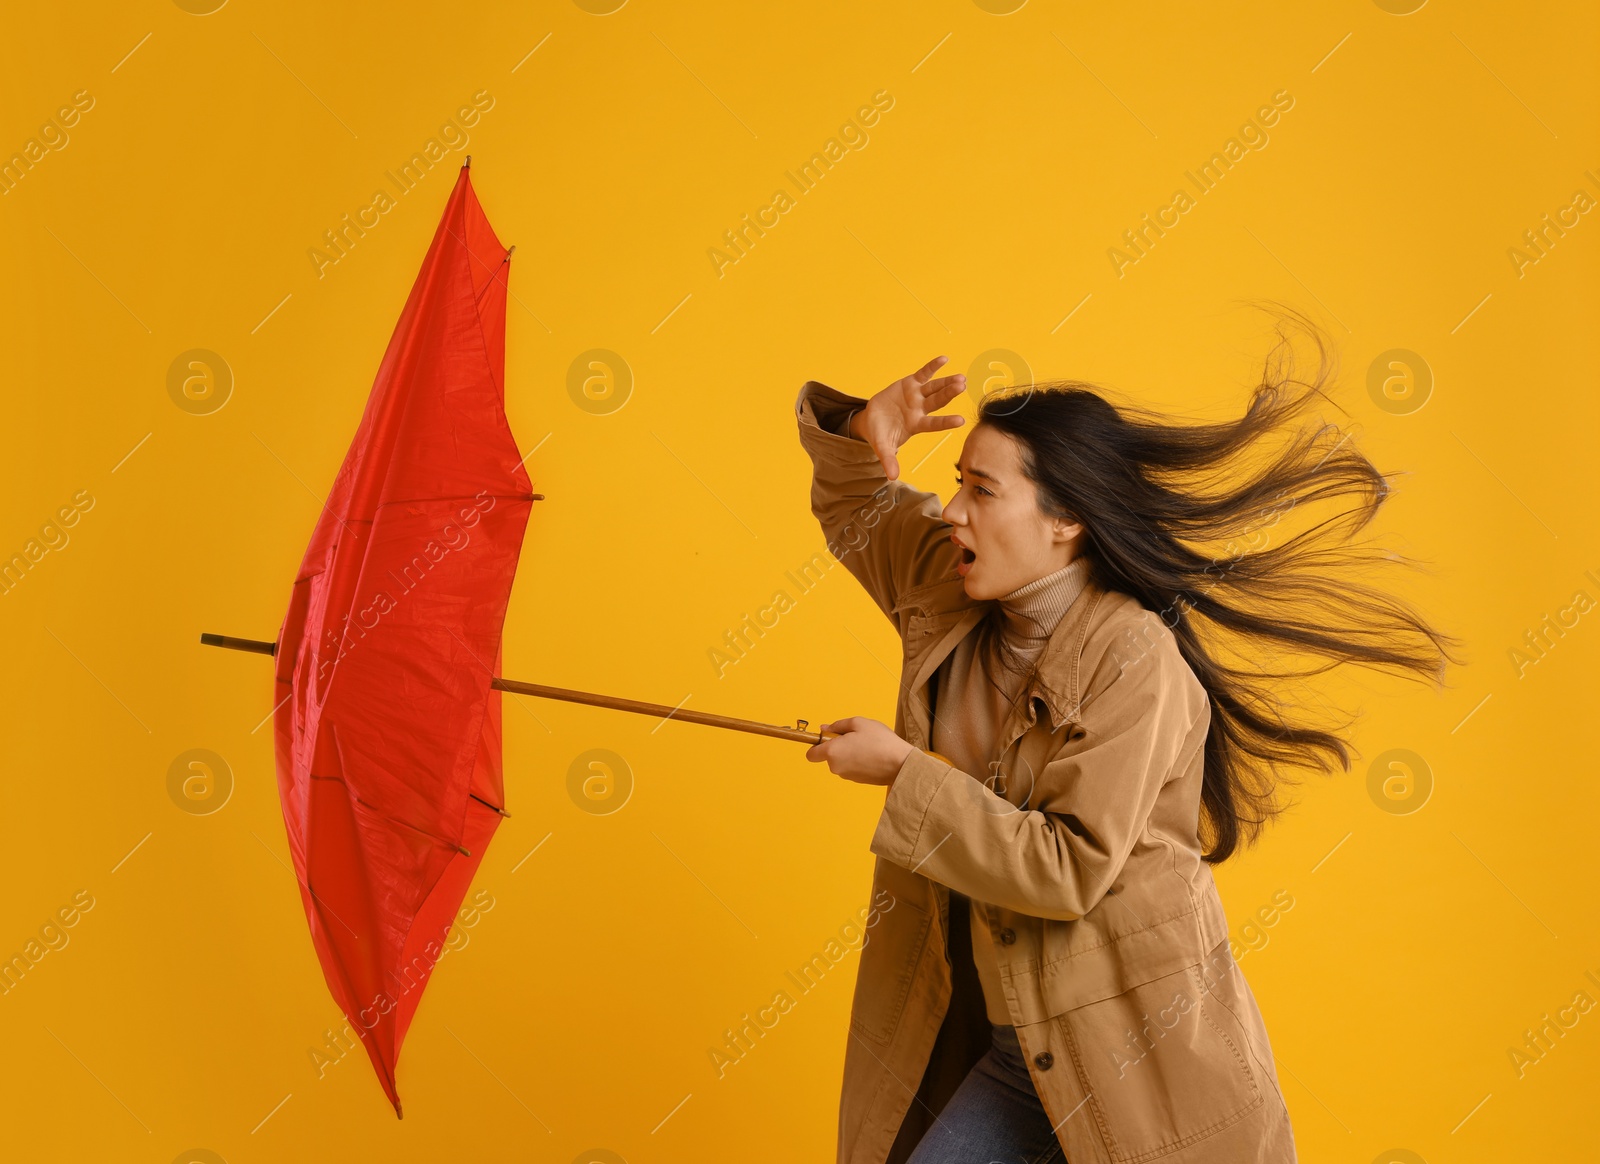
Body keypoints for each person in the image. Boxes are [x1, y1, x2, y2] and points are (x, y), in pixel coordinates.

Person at [795, 308, 1460, 1164]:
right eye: (957, 482)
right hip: (1011, 1055)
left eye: (983, 491)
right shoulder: (947, 586)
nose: (954, 511)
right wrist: (863, 430)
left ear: (1065, 519)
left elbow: (1068, 867)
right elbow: (857, 504)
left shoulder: (1134, 661)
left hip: (1136, 1063)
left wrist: (902, 775)